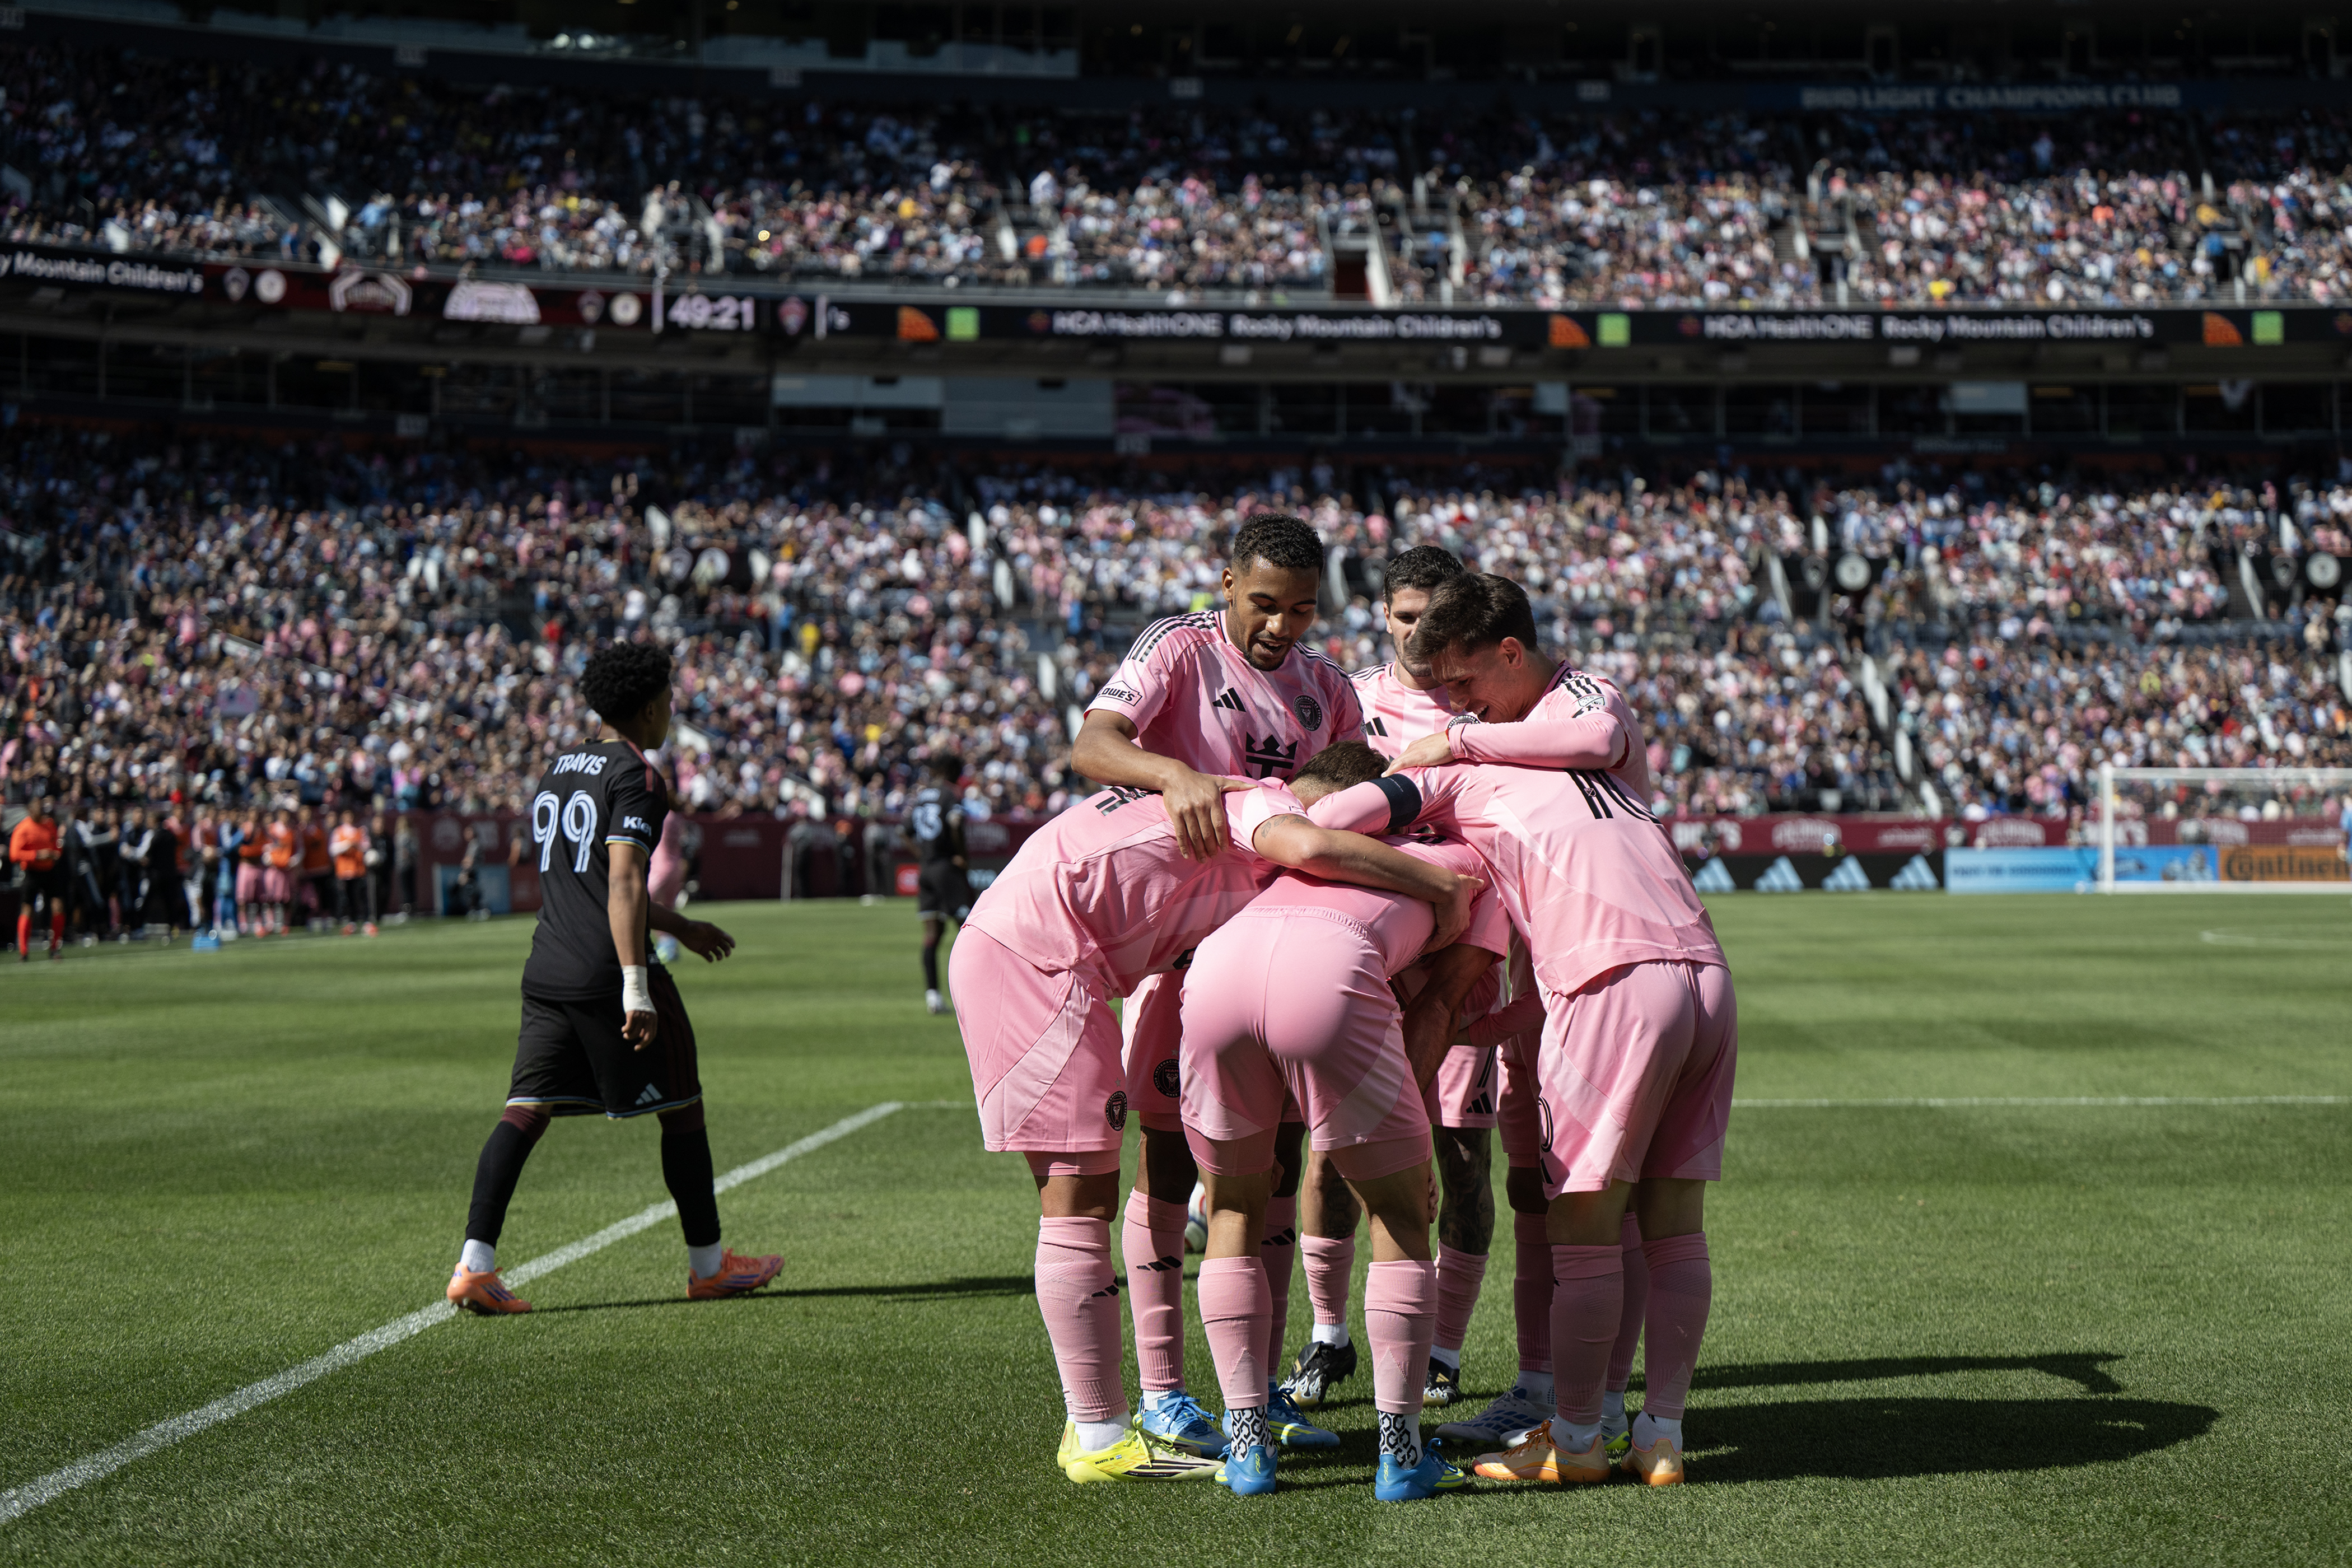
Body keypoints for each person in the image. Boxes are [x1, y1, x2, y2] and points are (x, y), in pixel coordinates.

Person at [1310, 572, 1734, 1488]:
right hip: (1705, 974)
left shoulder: (1465, 760)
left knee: (1581, 1225)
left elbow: (1337, 815)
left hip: (1611, 979)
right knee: (1672, 1226)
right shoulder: (1590, 769)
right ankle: (1660, 1434)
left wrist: (1348, 816)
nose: (1453, 703)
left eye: (1463, 686)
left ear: (1504, 659)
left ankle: (1577, 1441)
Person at [948, 756, 1481, 1485]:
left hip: (1079, 960)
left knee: (1175, 1195)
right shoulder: (1262, 803)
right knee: (1078, 1197)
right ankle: (1107, 1430)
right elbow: (1314, 844)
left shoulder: (1224, 806)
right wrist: (1440, 886)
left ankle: (1225, 1417)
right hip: (1040, 963)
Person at [1068, 511, 1365, 1457]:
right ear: (1229, 584)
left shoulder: (1328, 689)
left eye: (1305, 609)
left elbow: (1357, 796)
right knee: (1165, 1165)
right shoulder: (1181, 645)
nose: (1284, 626)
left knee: (1273, 1163)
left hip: (1279, 952)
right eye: (1267, 604)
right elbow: (1095, 741)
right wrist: (1176, 777)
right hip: (1178, 952)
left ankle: (1261, 1388)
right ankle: (1162, 1393)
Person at [1179, 741, 1508, 1501]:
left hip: (1220, 969)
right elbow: (1437, 1006)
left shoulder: (1314, 843)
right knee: (1399, 1213)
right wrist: (1407, 1139)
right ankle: (1400, 1453)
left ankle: (1248, 1450)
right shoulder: (1474, 860)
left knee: (1232, 1206)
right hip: (1329, 973)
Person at [447, 641, 780, 1315]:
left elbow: (593, 882)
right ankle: (709, 1266)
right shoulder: (639, 774)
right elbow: (623, 879)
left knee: (525, 1110)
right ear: (652, 705)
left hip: (547, 968)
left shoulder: (558, 767)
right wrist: (636, 983)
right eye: (670, 701)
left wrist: (679, 925)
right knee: (683, 1105)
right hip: (607, 969)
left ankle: (473, 1265)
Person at [1289, 544, 1474, 1412]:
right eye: (1407, 618)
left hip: (1467, 943)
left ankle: (1442, 1350)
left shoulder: (1491, 703)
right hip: (1367, 942)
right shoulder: (1350, 701)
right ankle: (1329, 1339)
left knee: (1464, 1158)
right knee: (1331, 1151)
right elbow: (1311, 801)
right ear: (1385, 616)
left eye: (1436, 619)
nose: (1421, 636)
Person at [910, 753, 971, 1014]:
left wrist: (922, 856)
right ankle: (973, 998)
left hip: (926, 870)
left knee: (932, 936)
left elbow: (904, 831)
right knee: (970, 932)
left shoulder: (921, 796)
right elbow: (955, 824)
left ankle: (933, 997)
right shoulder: (950, 794)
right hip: (946, 868)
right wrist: (961, 854)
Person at [10, 795, 68, 960]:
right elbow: (15, 854)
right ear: (29, 810)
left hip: (49, 871)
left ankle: (54, 948)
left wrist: (55, 854)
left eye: (41, 805)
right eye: (37, 806)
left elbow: (57, 845)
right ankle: (24, 952)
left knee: (58, 906)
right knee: (27, 909)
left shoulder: (49, 825)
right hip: (32, 872)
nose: (41, 809)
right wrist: (37, 855)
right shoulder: (23, 828)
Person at [330, 809, 375, 934]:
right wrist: (347, 845)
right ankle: (352, 923)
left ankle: (367, 922)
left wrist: (357, 845)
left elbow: (367, 846)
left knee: (362, 896)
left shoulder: (361, 831)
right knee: (349, 898)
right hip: (344, 871)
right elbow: (333, 849)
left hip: (358, 869)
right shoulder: (338, 832)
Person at [263, 808, 298, 935]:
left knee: (286, 898)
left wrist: (294, 860)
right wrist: (268, 858)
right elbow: (266, 846)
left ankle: (285, 924)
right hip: (274, 869)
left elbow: (298, 849)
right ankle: (270, 924)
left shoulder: (293, 831)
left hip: (286, 869)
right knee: (270, 897)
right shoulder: (271, 829)